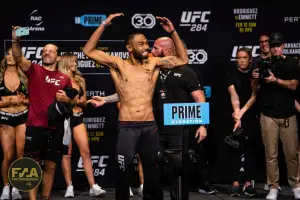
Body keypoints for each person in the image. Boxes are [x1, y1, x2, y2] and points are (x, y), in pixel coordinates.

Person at [89, 37, 217, 199]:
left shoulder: (186, 71)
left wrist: (203, 124)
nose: (151, 51)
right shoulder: (149, 67)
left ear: (168, 51)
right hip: (154, 126)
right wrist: (106, 99)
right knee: (152, 170)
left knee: (176, 170)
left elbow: (199, 98)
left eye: (156, 48)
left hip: (177, 129)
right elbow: (130, 93)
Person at [84, 13, 188, 200]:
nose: (146, 47)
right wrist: (105, 24)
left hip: (149, 126)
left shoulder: (154, 63)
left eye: (147, 43)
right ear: (129, 47)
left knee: (153, 173)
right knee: (123, 172)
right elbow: (89, 51)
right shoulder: (118, 65)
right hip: (127, 127)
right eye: (141, 44)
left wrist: (172, 31)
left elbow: (182, 59)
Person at [11, 26, 76, 200]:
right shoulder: (34, 70)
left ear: (58, 56)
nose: (47, 53)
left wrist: (66, 100)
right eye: (44, 51)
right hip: (35, 126)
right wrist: (16, 40)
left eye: (51, 51)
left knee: (51, 166)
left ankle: (45, 198)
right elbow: (17, 57)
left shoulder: (64, 78)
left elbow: (73, 101)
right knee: (32, 166)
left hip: (55, 128)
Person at [252, 33, 300, 200]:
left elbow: (293, 85)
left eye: (278, 45)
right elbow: (255, 91)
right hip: (268, 115)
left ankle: (295, 185)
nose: (275, 48)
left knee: (291, 154)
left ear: (283, 46)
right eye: (272, 45)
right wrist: (255, 78)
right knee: (271, 155)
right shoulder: (262, 63)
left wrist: (275, 80)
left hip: (288, 114)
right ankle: (273, 187)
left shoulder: (291, 62)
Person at [58, 53, 106, 197]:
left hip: (78, 117)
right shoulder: (58, 79)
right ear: (66, 62)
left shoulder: (80, 80)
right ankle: (69, 187)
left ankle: (93, 186)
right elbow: (58, 101)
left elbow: (84, 103)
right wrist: (74, 100)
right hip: (64, 119)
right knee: (67, 154)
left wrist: (77, 101)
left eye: (76, 61)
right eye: (73, 61)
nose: (75, 63)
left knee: (85, 151)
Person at [226, 47, 259, 197]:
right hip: (235, 115)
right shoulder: (231, 74)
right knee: (235, 148)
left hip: (250, 115)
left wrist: (241, 114)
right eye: (239, 57)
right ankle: (235, 183)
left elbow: (254, 96)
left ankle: (247, 183)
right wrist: (237, 115)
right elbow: (234, 96)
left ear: (250, 59)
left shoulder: (255, 76)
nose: (242, 60)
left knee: (250, 149)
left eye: (245, 57)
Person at [0, 48, 28, 200]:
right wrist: (7, 102)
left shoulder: (25, 77)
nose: (10, 57)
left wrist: (23, 101)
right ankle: (6, 187)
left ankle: (16, 186)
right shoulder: (0, 76)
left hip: (22, 117)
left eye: (13, 54)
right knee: (8, 156)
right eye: (8, 54)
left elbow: (34, 100)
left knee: (20, 153)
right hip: (5, 118)